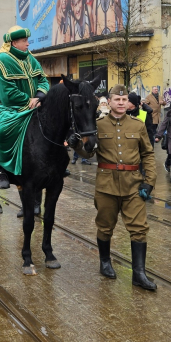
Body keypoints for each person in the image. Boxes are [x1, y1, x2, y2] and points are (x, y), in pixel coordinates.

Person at [69, 84, 157, 290]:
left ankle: (139, 274)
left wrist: (149, 181)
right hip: (106, 186)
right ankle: (105, 262)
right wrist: (77, 146)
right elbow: (89, 154)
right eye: (116, 100)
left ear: (128, 103)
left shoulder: (138, 125)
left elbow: (148, 154)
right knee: (105, 226)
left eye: (124, 99)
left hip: (133, 185)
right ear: (109, 102)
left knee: (139, 229)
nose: (120, 103)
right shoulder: (98, 125)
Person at [0, 26, 49, 189]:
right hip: (7, 107)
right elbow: (6, 93)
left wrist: (40, 96)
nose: (28, 44)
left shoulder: (30, 58)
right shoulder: (1, 60)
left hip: (35, 103)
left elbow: (43, 80)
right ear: (14, 43)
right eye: (24, 41)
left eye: (27, 40)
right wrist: (28, 101)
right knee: (0, 130)